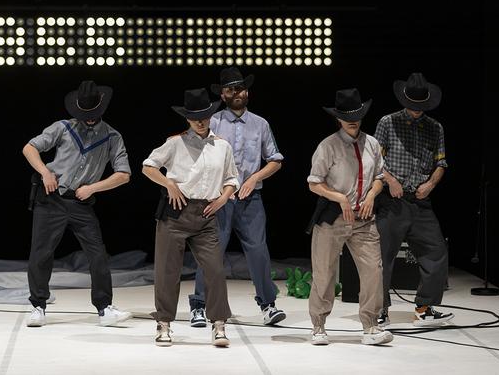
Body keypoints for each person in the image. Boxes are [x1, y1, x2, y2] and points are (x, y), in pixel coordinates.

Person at [22, 80, 132, 327]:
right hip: (51, 199)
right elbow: (29, 148)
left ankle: (104, 308)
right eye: (85, 114)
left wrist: (93, 188)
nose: (89, 119)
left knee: (98, 255)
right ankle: (38, 306)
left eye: (94, 113)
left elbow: (123, 175)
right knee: (41, 253)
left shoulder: (112, 136)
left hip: (81, 203)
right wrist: (45, 173)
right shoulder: (63, 128)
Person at [187, 67, 286, 328]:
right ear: (222, 94)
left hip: (250, 198)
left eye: (240, 88)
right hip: (218, 199)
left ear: (247, 92)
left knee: (258, 251)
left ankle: (268, 305)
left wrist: (254, 178)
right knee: (210, 252)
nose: (236, 93)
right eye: (230, 89)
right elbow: (195, 155)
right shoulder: (213, 122)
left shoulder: (260, 124)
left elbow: (275, 160)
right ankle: (199, 305)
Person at [142, 87, 239, 347]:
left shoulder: (222, 146)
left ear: (211, 116)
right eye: (195, 117)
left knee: (215, 270)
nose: (200, 121)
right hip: (175, 213)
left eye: (204, 116)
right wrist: (169, 184)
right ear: (187, 118)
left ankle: (219, 325)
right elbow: (148, 166)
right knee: (167, 272)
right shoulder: (176, 142)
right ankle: (164, 323)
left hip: (206, 213)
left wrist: (222, 198)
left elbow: (232, 178)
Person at [307, 88, 393, 346]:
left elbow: (379, 177)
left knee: (373, 271)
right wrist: (340, 197)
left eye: (356, 115)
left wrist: (372, 195)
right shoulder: (328, 146)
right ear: (338, 118)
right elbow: (314, 183)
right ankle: (318, 326)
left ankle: (371, 326)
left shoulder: (372, 144)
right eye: (347, 117)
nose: (352, 120)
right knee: (324, 273)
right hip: (334, 218)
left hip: (364, 219)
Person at [374, 72, 453, 327]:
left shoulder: (435, 127)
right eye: (412, 104)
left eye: (421, 105)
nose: (416, 109)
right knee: (382, 256)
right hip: (392, 200)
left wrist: (431, 184)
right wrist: (390, 180)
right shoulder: (388, 122)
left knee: (436, 251)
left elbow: (441, 163)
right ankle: (379, 309)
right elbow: (375, 160)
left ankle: (424, 307)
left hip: (420, 201)